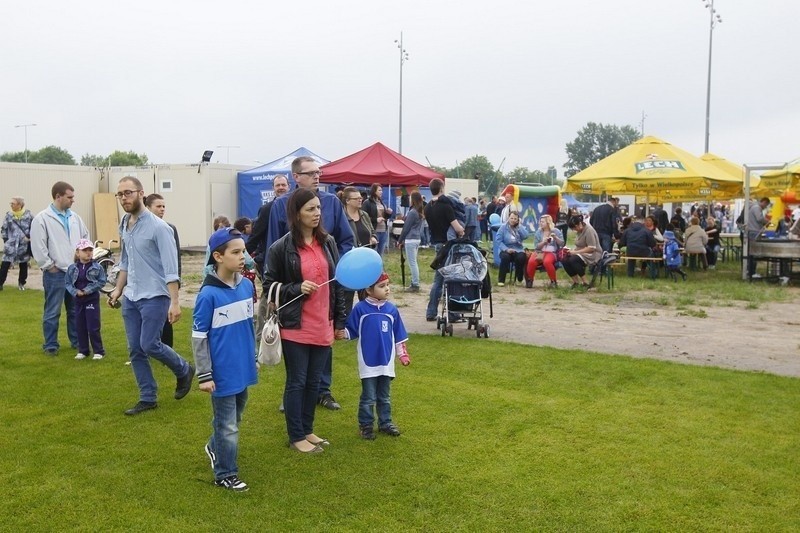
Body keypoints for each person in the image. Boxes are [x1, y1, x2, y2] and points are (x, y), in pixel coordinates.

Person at [267, 156, 354, 411]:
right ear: (296, 176)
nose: (318, 176)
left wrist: (338, 266)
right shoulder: (281, 205)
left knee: (323, 343)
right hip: (295, 291)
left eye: (319, 172)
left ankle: (322, 391)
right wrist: (284, 286)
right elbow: (274, 246)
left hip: (327, 283)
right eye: (311, 172)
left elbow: (346, 240)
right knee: (297, 350)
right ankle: (295, 393)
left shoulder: (332, 202)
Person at [263, 188, 347, 453]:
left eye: (318, 208)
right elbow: (269, 285)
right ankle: (296, 435)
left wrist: (339, 321)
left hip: (323, 322)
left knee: (315, 382)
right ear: (296, 213)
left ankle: (308, 430)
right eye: (310, 209)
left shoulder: (328, 242)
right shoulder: (281, 247)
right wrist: (296, 288)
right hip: (295, 325)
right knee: (297, 381)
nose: (317, 213)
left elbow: (338, 286)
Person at [108, 176, 194, 416]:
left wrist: (175, 302)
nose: (124, 198)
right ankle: (147, 397)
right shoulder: (125, 223)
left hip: (155, 296)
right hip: (132, 296)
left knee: (149, 344)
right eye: (120, 194)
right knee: (135, 349)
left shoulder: (159, 227)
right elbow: (125, 261)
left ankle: (184, 369)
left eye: (128, 193)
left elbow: (170, 268)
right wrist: (118, 289)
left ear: (140, 193)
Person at [193, 227, 258, 492]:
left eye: (243, 251)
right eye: (236, 252)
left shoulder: (246, 286)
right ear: (218, 257)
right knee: (228, 423)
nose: (243, 256)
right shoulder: (207, 295)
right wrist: (205, 374)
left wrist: (252, 357)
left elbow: (249, 325)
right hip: (221, 372)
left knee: (234, 417)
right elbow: (199, 337)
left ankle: (214, 444)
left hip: (242, 366)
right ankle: (225, 473)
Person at [342, 272, 410, 440]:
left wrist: (402, 354)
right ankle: (365, 425)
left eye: (388, 285)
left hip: (386, 362)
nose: (387, 289)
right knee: (368, 397)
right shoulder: (361, 309)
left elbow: (399, 335)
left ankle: (385, 423)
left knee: (384, 397)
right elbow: (350, 331)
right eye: (382, 286)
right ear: (369, 290)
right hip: (368, 362)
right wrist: (338, 332)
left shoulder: (392, 310)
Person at [30, 181, 90, 355]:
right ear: (58, 196)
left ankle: (77, 342)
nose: (73, 200)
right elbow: (38, 246)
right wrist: (49, 266)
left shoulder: (75, 217)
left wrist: (82, 259)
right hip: (55, 273)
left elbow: (85, 237)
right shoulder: (42, 218)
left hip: (75, 272)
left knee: (75, 310)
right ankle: (50, 345)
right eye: (69, 197)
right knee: (52, 311)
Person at [424, 178, 464, 322]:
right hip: (449, 246)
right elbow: (456, 227)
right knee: (451, 279)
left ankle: (431, 311)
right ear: (441, 188)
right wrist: (462, 231)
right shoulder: (446, 206)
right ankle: (453, 314)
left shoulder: (428, 207)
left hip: (437, 245)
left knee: (438, 280)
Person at [145, 193, 181, 348]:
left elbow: (176, 257)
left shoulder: (169, 228)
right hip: (146, 281)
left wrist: (176, 281)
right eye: (158, 206)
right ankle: (145, 349)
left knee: (166, 317)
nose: (162, 209)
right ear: (148, 207)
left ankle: (167, 350)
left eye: (163, 206)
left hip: (164, 281)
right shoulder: (139, 228)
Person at [65, 239, 107, 360]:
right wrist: (75, 292)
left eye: (90, 250)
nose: (88, 253)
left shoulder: (97, 267)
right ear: (78, 253)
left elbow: (102, 281)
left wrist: (87, 290)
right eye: (85, 250)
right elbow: (67, 283)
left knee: (93, 326)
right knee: (80, 326)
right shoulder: (72, 268)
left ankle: (99, 351)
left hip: (91, 300)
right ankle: (83, 350)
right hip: (78, 301)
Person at [341, 186, 377, 310]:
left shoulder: (364, 215)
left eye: (360, 198)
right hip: (349, 264)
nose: (360, 200)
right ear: (347, 201)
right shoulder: (341, 217)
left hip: (366, 262)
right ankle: (345, 326)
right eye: (356, 198)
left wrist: (373, 237)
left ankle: (367, 322)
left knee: (368, 297)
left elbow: (372, 231)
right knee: (346, 300)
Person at [247, 174, 289, 276]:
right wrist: (244, 254)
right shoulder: (267, 209)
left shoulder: (295, 206)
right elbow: (256, 235)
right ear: (273, 188)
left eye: (283, 185)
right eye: (277, 185)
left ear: (289, 186)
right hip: (273, 259)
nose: (281, 188)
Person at [1, 196, 33, 291]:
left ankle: (21, 283)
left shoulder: (28, 215)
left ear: (19, 205)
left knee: (23, 265)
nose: (11, 205)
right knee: (5, 265)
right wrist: (6, 240)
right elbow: (4, 229)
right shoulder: (8, 216)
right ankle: (0, 283)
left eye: (13, 203)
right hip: (10, 245)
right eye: (11, 204)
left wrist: (29, 237)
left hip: (23, 244)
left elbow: (35, 227)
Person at [561, 215, 602, 289]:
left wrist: (576, 252)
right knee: (564, 260)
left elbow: (591, 248)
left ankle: (585, 282)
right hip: (581, 252)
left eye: (574, 228)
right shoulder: (579, 231)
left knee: (573, 260)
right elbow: (579, 245)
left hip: (592, 254)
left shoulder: (589, 230)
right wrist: (571, 251)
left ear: (579, 224)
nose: (574, 230)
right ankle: (575, 282)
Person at [525, 214, 563, 288]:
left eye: (542, 222)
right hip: (540, 251)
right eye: (540, 221)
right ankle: (530, 280)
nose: (540, 223)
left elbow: (562, 243)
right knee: (531, 261)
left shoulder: (556, 231)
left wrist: (555, 238)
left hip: (551, 252)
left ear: (548, 222)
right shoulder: (538, 232)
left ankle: (553, 281)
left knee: (547, 262)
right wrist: (543, 242)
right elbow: (536, 246)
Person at [397, 191, 424, 292]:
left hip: (411, 239)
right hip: (416, 238)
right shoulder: (419, 211)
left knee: (412, 263)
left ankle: (415, 284)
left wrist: (400, 240)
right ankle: (415, 282)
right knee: (414, 262)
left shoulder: (412, 212)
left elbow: (406, 228)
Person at [495, 212, 529, 286]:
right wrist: (506, 249)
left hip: (518, 248)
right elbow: (498, 240)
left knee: (521, 257)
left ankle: (519, 276)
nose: (513, 220)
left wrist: (519, 227)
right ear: (508, 218)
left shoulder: (520, 227)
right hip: (505, 249)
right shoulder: (503, 227)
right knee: (505, 257)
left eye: (515, 219)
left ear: (517, 220)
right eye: (511, 218)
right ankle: (501, 280)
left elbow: (526, 236)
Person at [362, 184, 393, 255]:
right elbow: (363, 217)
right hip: (374, 232)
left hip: (383, 231)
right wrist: (375, 220)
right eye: (379, 190)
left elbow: (385, 217)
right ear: (374, 191)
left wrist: (388, 213)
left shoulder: (381, 202)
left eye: (382, 190)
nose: (381, 192)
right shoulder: (367, 202)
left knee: (381, 253)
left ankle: (380, 266)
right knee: (373, 253)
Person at [746, 197, 770, 277]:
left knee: (752, 252)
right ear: (763, 202)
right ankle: (751, 272)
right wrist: (767, 221)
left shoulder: (754, 207)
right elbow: (759, 218)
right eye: (766, 204)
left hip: (753, 231)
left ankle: (750, 271)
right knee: (754, 252)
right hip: (754, 232)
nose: (765, 207)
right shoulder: (756, 208)